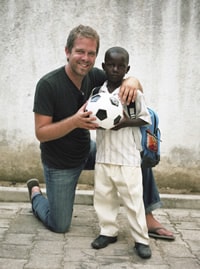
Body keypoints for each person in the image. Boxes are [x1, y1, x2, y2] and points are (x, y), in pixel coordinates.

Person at [27, 24, 174, 241]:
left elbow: (130, 85)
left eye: (91, 53)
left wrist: (132, 81)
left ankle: (148, 216)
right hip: (60, 162)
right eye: (79, 51)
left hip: (87, 150)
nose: (85, 58)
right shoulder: (48, 85)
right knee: (59, 225)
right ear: (67, 52)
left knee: (136, 156)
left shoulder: (95, 76)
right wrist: (75, 122)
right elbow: (41, 133)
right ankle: (36, 195)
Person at [90, 46, 151, 259]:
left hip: (127, 157)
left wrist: (124, 122)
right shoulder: (97, 93)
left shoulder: (133, 93)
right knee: (104, 196)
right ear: (103, 66)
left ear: (127, 68)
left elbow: (145, 118)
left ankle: (141, 239)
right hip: (104, 155)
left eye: (120, 66)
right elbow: (91, 118)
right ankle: (108, 231)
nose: (115, 69)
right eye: (111, 65)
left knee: (133, 200)